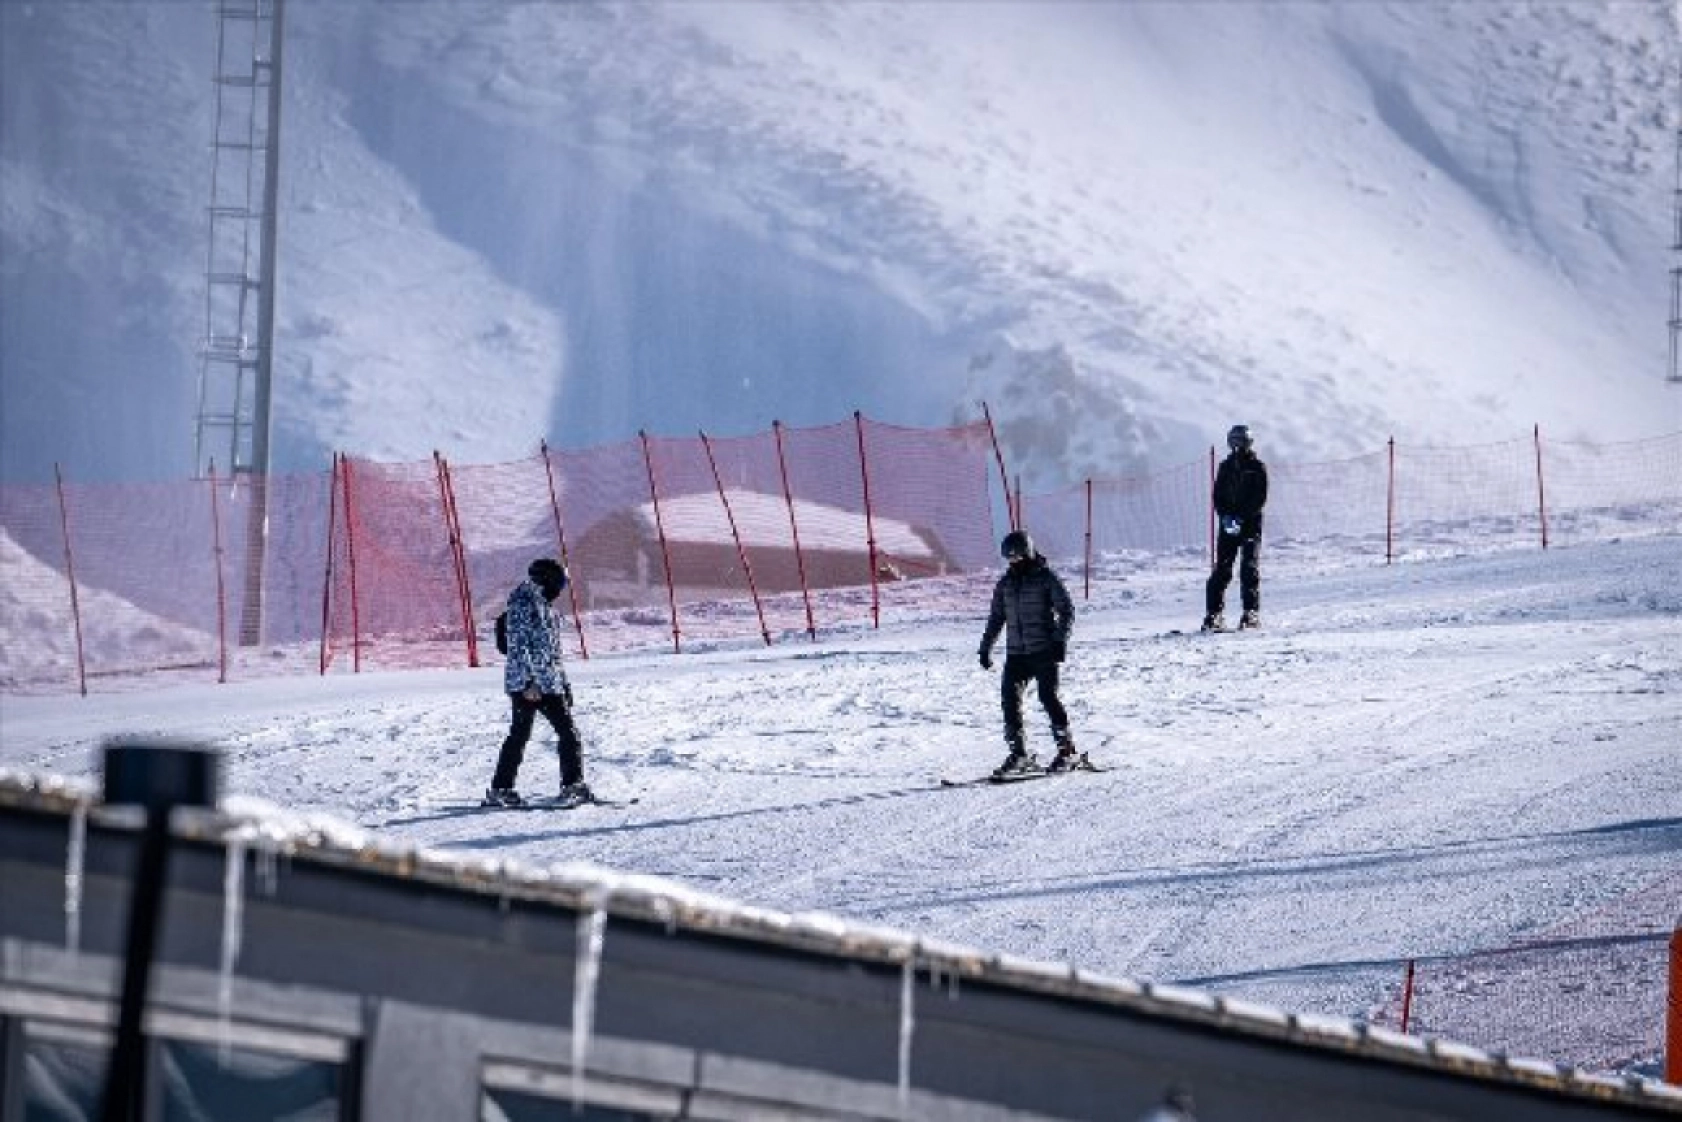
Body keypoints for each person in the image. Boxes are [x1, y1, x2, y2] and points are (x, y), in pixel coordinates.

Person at [484, 557, 590, 806]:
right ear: (545, 581)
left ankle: (505, 788)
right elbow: (519, 647)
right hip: (530, 684)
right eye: (559, 584)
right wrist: (530, 682)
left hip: (548, 682)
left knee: (543, 734)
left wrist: (564, 684)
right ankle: (505, 789)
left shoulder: (545, 609)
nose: (560, 590)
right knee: (549, 734)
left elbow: (553, 653)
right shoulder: (522, 606)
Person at [978, 529, 1081, 778]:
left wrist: (1059, 640)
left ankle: (1067, 751)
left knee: (1048, 697)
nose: (1013, 562)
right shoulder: (1005, 584)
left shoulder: (1046, 578)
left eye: (1017, 556)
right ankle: (1019, 754)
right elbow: (996, 618)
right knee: (1009, 701)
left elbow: (1066, 610)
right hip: (1017, 655)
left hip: (1043, 651)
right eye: (1009, 558)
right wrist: (985, 647)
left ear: (1028, 552)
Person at [1204, 424, 1269, 631]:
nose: (1237, 446)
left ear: (1248, 443)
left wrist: (1242, 517)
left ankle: (1251, 613)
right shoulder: (1225, 467)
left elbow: (1260, 497)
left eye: (1241, 441)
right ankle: (1214, 614)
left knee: (1248, 568)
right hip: (1229, 526)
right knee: (1222, 568)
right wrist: (1225, 516)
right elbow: (1217, 495)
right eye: (1234, 441)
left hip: (1250, 525)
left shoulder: (1257, 467)